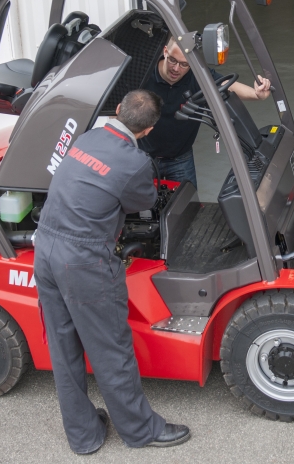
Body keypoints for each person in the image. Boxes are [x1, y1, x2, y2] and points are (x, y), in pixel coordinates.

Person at [33, 89, 190, 453]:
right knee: (111, 349)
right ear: (148, 131)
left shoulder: (87, 137)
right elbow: (143, 202)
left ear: (117, 110)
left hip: (47, 248)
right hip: (83, 261)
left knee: (63, 346)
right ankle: (140, 431)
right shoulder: (134, 162)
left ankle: (84, 435)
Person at [140, 37, 271, 187]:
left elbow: (226, 85)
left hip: (180, 159)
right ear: (165, 51)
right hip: (143, 157)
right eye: (173, 60)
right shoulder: (143, 74)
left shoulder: (198, 75)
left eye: (184, 64)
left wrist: (256, 94)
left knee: (188, 206)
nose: (176, 69)